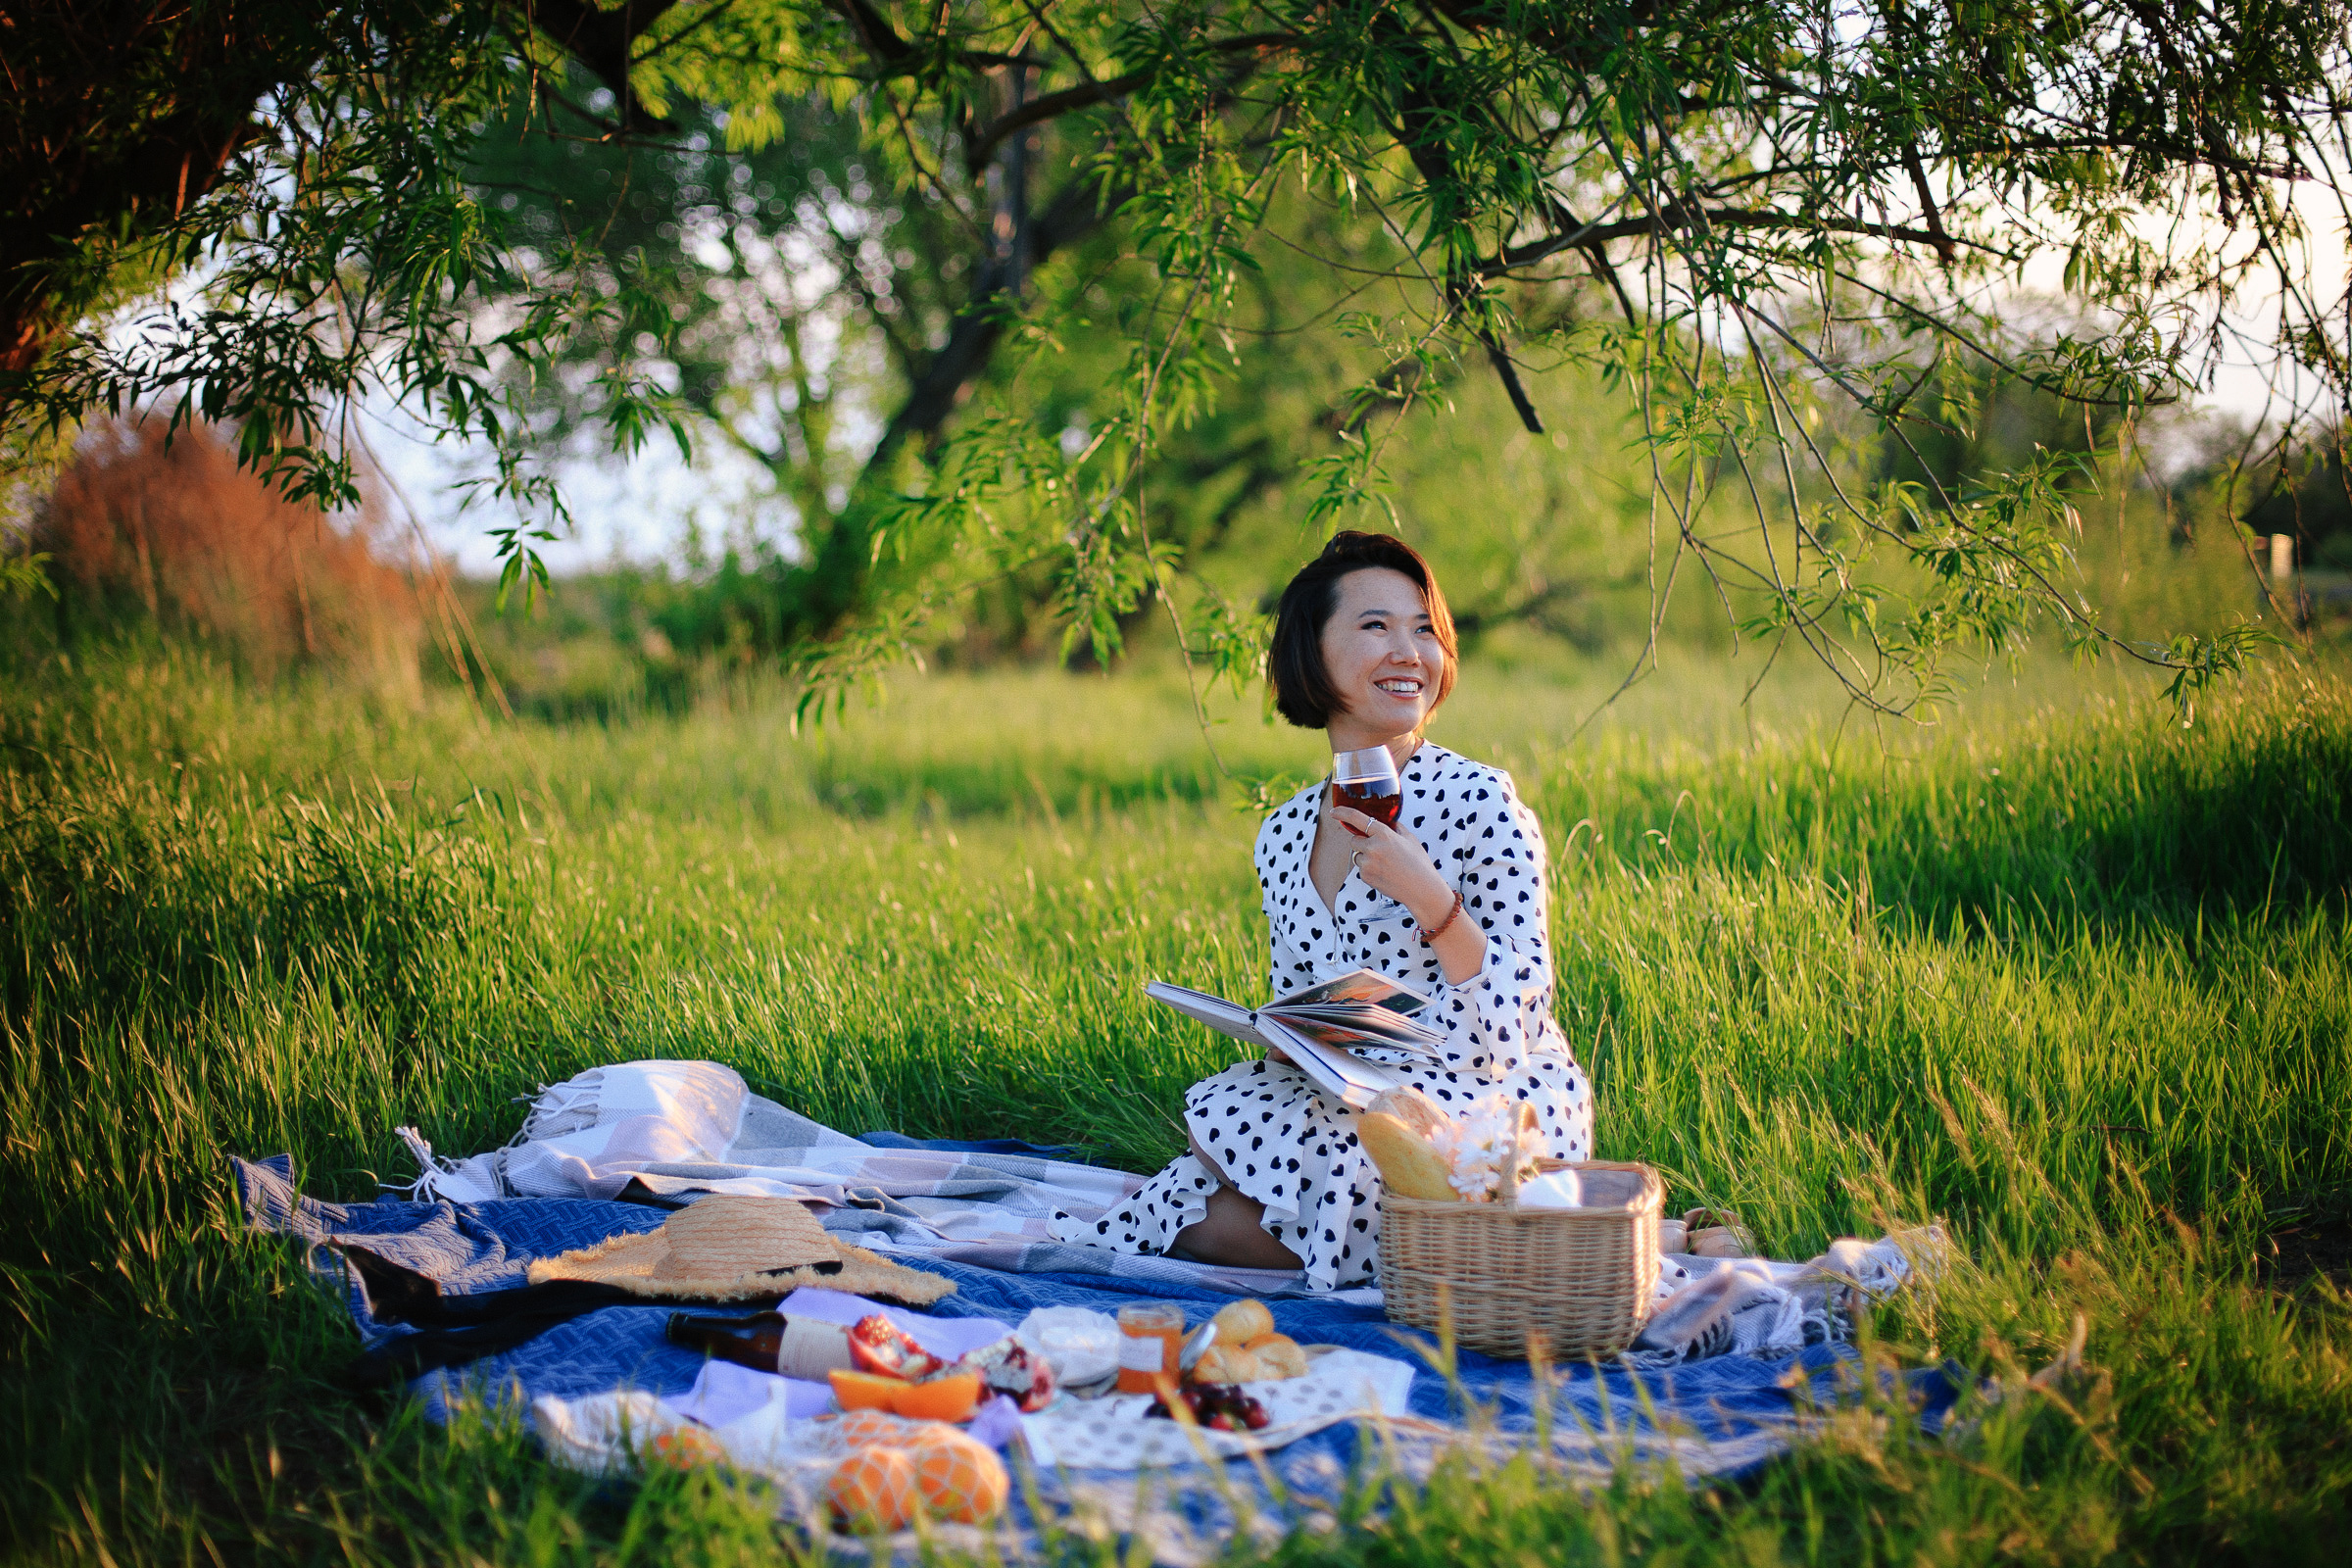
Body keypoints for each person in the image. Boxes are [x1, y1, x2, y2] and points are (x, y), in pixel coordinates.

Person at [1058, 531, 1595, 1291]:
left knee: (1208, 1213)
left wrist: (1430, 898)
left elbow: (1517, 1020)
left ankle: (1561, 1230)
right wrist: (1288, 1036)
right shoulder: (1283, 833)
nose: (1409, 651)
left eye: (1424, 630)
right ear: (1312, 651)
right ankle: (1522, 1237)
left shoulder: (1480, 800)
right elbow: (1305, 997)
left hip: (1487, 1094)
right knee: (1217, 1143)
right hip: (1360, 1086)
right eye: (1376, 626)